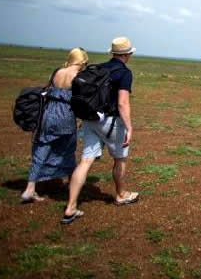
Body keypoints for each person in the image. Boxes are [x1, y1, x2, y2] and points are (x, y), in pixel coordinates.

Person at [62, 37, 138, 224]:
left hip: (90, 119)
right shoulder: (124, 74)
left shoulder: (99, 68)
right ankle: (121, 194)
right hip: (111, 122)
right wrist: (129, 127)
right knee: (120, 158)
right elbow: (122, 103)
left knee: (85, 161)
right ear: (127, 54)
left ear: (112, 53)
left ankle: (70, 206)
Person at [21, 47, 89, 203]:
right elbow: (80, 99)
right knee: (68, 150)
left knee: (41, 150)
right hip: (65, 116)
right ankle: (73, 183)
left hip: (47, 115)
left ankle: (29, 188)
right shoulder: (77, 76)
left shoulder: (57, 72)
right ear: (82, 61)